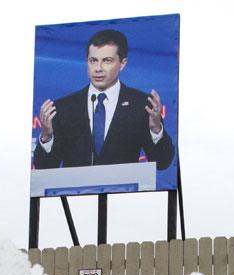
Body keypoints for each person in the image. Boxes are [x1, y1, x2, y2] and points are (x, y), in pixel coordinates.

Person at [34, 29, 175, 170]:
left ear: (122, 63)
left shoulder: (141, 105)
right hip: (76, 190)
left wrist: (156, 129)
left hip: (123, 189)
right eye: (93, 61)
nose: (98, 69)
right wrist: (46, 137)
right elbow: (44, 168)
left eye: (107, 61)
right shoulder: (64, 108)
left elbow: (162, 163)